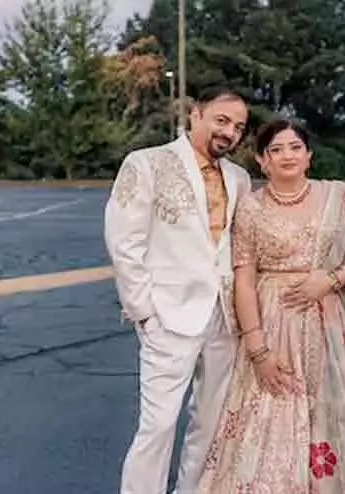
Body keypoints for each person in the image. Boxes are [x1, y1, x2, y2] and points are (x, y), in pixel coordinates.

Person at [197, 119, 345, 493]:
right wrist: (258, 350)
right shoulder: (250, 208)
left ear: (309, 155)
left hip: (333, 332)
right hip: (272, 329)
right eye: (276, 149)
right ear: (262, 160)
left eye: (295, 147)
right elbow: (243, 280)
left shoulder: (339, 198)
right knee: (266, 422)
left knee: (341, 419)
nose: (287, 156)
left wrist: (331, 279)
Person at [104, 86, 253, 494]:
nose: (230, 132)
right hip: (168, 317)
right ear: (195, 114)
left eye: (239, 127)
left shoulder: (239, 179)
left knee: (210, 422)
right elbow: (124, 242)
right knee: (158, 425)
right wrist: (144, 313)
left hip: (225, 319)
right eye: (222, 120)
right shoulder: (147, 163)